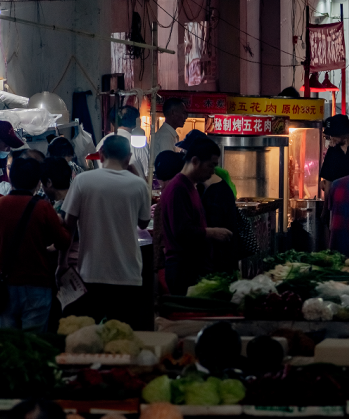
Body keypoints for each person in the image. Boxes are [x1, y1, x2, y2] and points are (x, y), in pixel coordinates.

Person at [61, 135, 151, 326]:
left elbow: (67, 226)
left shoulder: (82, 181)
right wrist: (135, 175)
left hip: (91, 273)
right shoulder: (139, 185)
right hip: (129, 274)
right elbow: (144, 223)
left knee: (89, 336)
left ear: (101, 155)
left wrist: (62, 263)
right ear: (128, 158)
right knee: (122, 336)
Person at [0, 158, 71, 333]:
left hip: (4, 284)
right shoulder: (44, 208)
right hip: (37, 283)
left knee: (9, 344)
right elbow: (63, 241)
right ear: (38, 182)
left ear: (11, 178)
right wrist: (64, 222)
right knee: (33, 344)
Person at [157, 135, 233, 295]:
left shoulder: (190, 186)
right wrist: (212, 233)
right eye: (210, 166)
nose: (213, 171)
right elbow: (182, 231)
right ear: (195, 161)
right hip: (184, 270)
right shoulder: (178, 189)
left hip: (193, 268)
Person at [96, 106, 151, 179]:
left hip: (107, 188)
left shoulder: (102, 142)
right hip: (135, 188)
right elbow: (148, 175)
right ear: (136, 122)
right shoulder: (140, 143)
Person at [151, 97, 188, 162]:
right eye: (183, 113)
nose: (185, 117)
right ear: (173, 113)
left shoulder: (169, 134)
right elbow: (168, 165)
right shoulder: (166, 136)